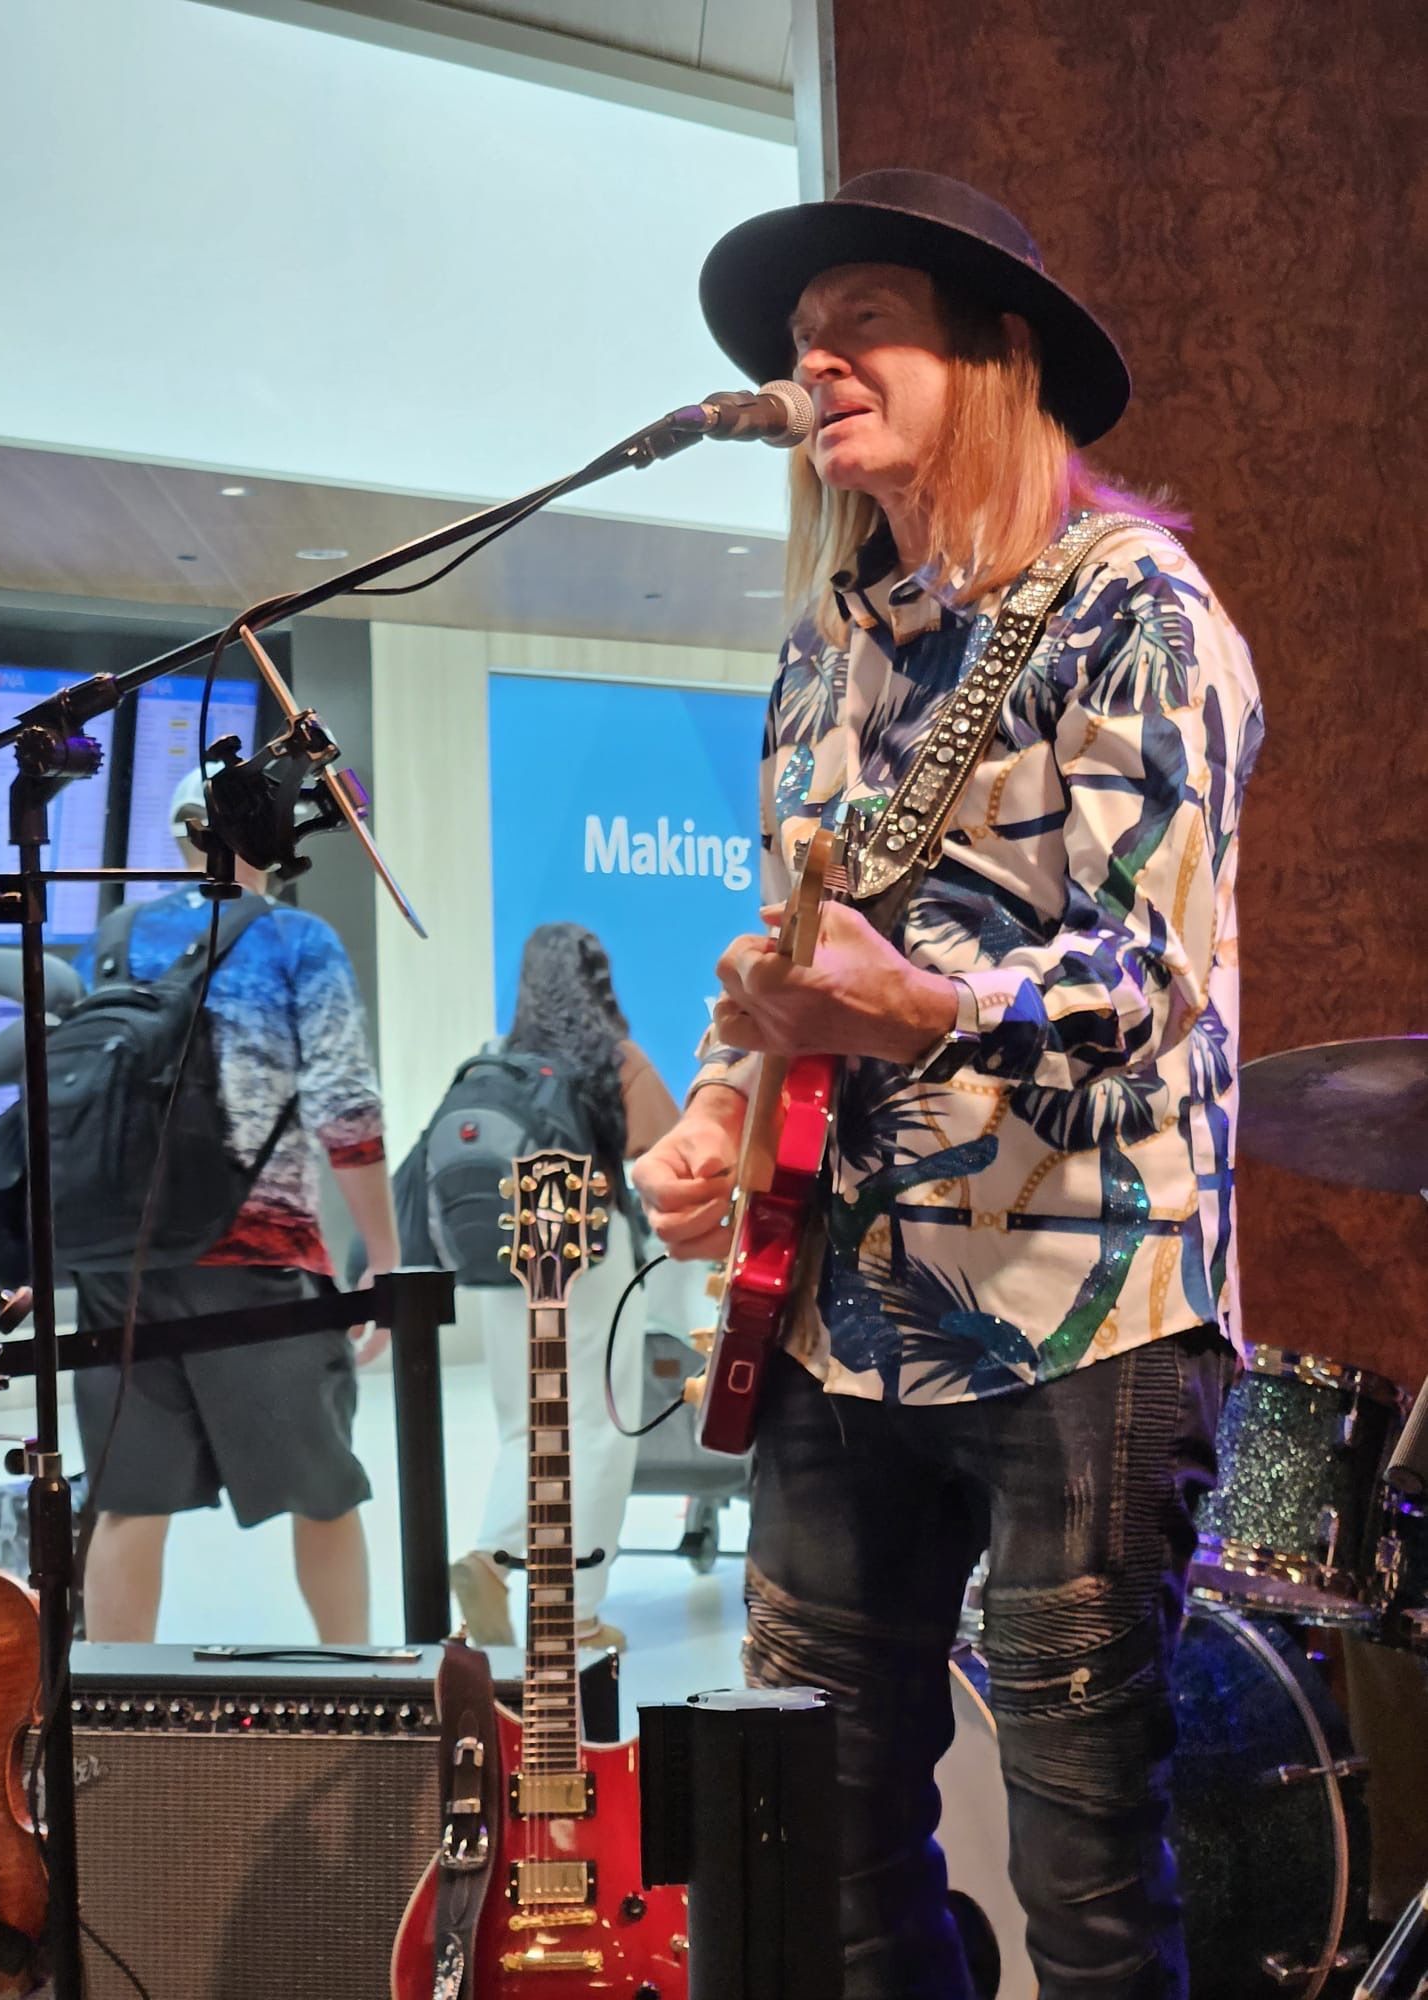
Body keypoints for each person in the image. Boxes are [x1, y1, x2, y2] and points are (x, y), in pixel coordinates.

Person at [634, 170, 1264, 1998]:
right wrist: (714, 1112)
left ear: (995, 356)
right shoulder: (829, 654)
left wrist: (912, 1012)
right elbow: (785, 962)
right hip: (845, 1315)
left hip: (1083, 1312)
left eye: (863, 322)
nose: (813, 359)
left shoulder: (1136, 610)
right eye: (798, 341)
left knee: (1083, 1882)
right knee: (827, 1858)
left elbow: (1149, 979)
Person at [74, 768, 401, 1644]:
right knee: (324, 1492)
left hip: (118, 1264)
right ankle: (357, 1691)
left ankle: (114, 1724)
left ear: (183, 837)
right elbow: (346, 1109)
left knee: (128, 1504)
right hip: (256, 1261)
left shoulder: (113, 938)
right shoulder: (298, 940)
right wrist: (386, 1253)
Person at [450, 922, 680, 1653]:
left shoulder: (498, 1059)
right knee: (598, 1430)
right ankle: (577, 1615)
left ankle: (491, 1554)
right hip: (587, 1247)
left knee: (527, 1426)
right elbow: (670, 1152)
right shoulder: (612, 1058)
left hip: (507, 1250)